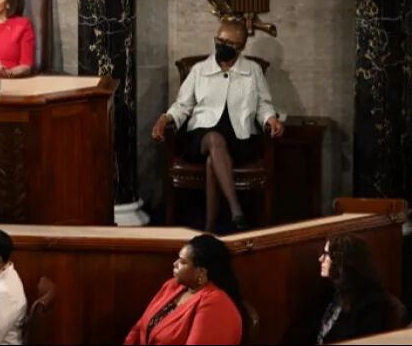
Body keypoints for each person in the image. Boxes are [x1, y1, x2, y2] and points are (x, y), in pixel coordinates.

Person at [150, 21, 283, 231]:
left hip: (239, 137)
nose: (222, 45)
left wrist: (270, 119)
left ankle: (210, 229)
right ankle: (236, 210)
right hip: (202, 135)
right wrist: (165, 119)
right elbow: (183, 105)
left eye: (228, 42)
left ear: (240, 47)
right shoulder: (199, 70)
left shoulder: (253, 71)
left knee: (215, 158)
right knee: (214, 140)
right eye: (219, 40)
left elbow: (263, 105)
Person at [125, 234, 244, 345]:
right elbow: (139, 327)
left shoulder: (215, 304)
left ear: (201, 272)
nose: (174, 264)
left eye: (182, 262)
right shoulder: (172, 286)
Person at [316, 234, 406, 343]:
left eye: (326, 254)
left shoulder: (371, 305)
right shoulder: (332, 294)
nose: (320, 259)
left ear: (342, 261)